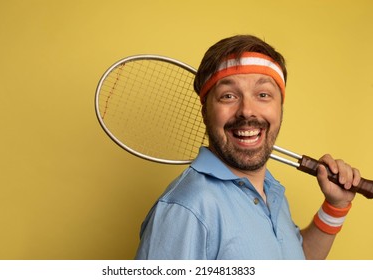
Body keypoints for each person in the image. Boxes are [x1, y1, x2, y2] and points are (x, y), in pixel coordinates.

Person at [135, 34, 361, 260]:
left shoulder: (271, 192)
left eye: (263, 95)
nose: (247, 110)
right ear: (205, 112)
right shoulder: (188, 209)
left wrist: (336, 207)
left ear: (279, 108)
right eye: (228, 96)